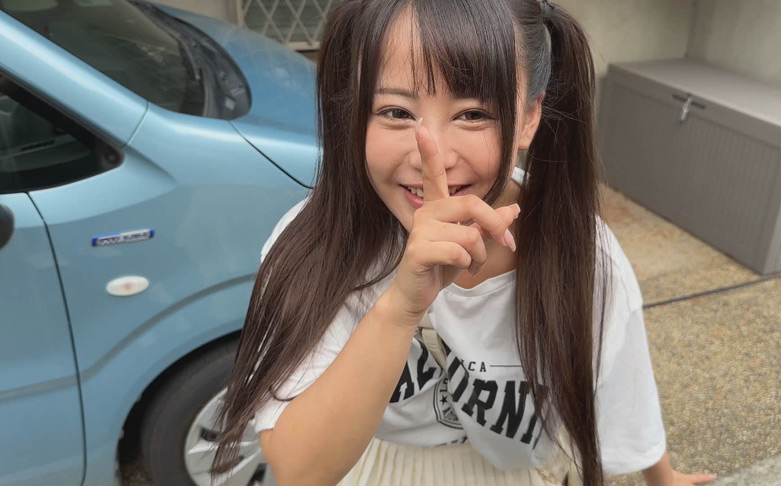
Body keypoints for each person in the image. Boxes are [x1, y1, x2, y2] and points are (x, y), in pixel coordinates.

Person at [212, 0, 718, 485]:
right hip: (375, 462)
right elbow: (299, 469)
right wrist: (401, 307)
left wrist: (663, 478)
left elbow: (623, 392)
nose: (431, 155)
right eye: (396, 111)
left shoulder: (585, 259)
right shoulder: (317, 246)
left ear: (529, 118)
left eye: (473, 114)